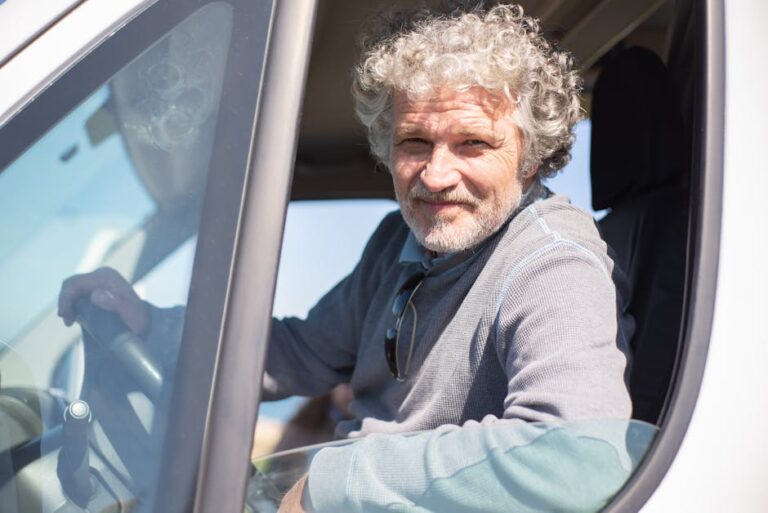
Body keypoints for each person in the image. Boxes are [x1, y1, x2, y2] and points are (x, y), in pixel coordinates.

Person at [59, 4, 637, 512]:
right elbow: (299, 353)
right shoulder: (399, 242)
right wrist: (154, 327)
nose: (436, 175)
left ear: (532, 157)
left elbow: (577, 454)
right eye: (414, 142)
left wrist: (336, 482)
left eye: (473, 144)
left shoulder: (552, 261)